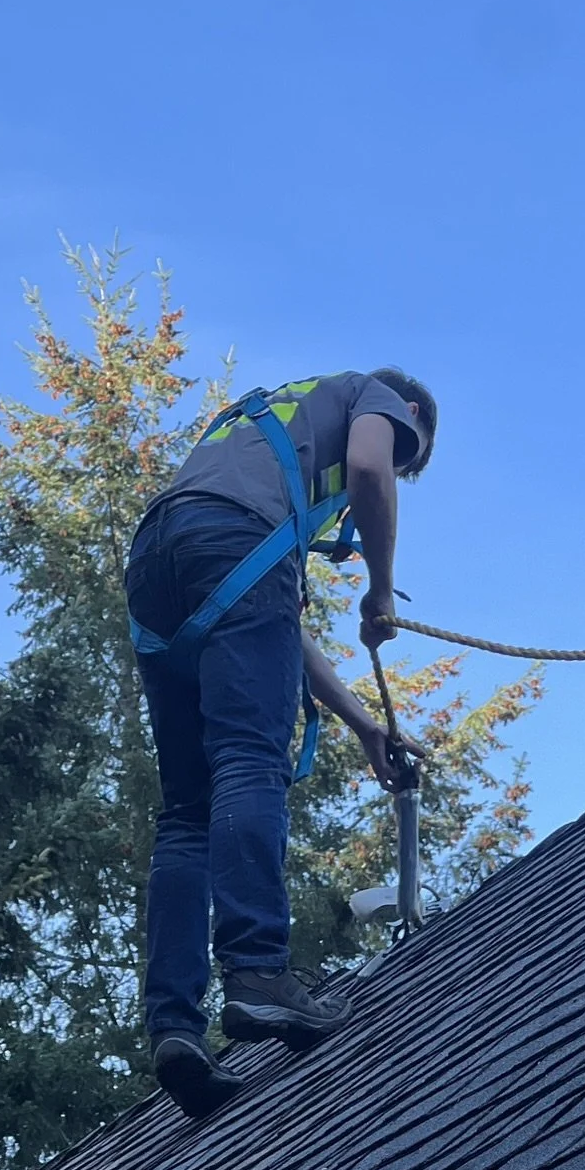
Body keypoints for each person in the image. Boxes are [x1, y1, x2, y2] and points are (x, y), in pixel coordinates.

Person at [125, 368, 435, 1120]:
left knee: (189, 809)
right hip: (233, 549)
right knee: (249, 762)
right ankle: (259, 972)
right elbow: (366, 464)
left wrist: (365, 727)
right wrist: (382, 589)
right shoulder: (375, 394)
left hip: (156, 560)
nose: (394, 467)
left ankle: (175, 1027)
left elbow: (271, 629)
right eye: (409, 455)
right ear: (413, 414)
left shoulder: (257, 434)